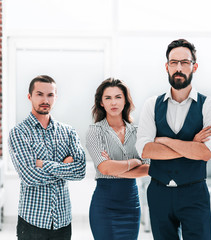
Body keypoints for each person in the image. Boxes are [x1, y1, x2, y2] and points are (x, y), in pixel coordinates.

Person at [135, 39, 211, 240]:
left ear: (194, 66)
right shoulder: (151, 104)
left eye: (185, 62)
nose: (179, 68)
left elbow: (207, 152)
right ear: (167, 66)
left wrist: (163, 140)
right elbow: (145, 150)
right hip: (158, 193)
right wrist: (191, 144)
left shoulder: (209, 105)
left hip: (195, 193)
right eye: (173, 63)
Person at [8, 75, 86, 240]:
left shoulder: (68, 132)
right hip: (32, 223)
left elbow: (80, 171)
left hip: (63, 223)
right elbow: (29, 176)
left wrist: (43, 164)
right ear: (29, 97)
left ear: (55, 97)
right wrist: (63, 166)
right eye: (39, 94)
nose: (45, 99)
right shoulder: (19, 133)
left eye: (50, 95)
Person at [86, 78, 149, 240]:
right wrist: (135, 162)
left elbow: (148, 168)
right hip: (104, 205)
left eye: (118, 97)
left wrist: (115, 168)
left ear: (125, 100)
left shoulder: (138, 131)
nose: (113, 102)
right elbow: (105, 169)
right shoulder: (95, 131)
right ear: (101, 102)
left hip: (131, 205)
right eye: (108, 98)